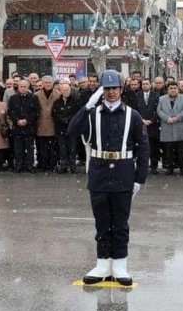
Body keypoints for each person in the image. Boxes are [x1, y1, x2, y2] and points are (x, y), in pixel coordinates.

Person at [67, 70, 149, 285]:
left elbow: (143, 149)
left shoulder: (133, 115)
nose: (111, 92)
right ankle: (103, 264)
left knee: (120, 223)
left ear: (121, 90)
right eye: (107, 88)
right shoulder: (93, 114)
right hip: (100, 174)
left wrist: (139, 179)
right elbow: (72, 130)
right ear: (101, 90)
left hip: (123, 173)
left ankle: (120, 265)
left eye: (114, 88)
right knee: (102, 222)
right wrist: (87, 107)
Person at [156, 82, 183, 175]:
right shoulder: (161, 99)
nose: (173, 90)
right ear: (168, 89)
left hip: (180, 127)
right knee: (168, 151)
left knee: (181, 151)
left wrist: (177, 118)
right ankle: (169, 168)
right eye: (171, 88)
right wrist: (167, 118)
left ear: (178, 89)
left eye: (175, 88)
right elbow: (159, 110)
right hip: (167, 126)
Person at [6, 79, 39, 173]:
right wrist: (17, 120)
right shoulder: (13, 98)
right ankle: (18, 165)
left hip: (29, 127)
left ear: (28, 87)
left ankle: (30, 165)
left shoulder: (33, 98)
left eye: (25, 87)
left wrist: (27, 120)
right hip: (17, 127)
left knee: (30, 148)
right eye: (21, 87)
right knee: (18, 148)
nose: (23, 88)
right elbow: (10, 111)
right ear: (18, 87)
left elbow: (36, 112)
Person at [35, 76, 61, 173]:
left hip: (53, 124)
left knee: (53, 148)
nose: (48, 84)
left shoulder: (58, 94)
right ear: (42, 83)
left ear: (53, 83)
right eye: (46, 82)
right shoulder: (36, 95)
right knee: (42, 147)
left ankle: (52, 165)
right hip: (41, 125)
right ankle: (42, 164)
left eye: (50, 82)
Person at [53, 82, 78, 173]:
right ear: (60, 91)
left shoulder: (75, 101)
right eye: (64, 90)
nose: (66, 91)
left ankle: (72, 165)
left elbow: (77, 113)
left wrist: (68, 119)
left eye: (67, 90)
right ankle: (63, 165)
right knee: (62, 148)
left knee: (72, 148)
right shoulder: (57, 102)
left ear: (70, 90)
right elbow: (55, 114)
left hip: (72, 129)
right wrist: (62, 119)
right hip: (61, 128)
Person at [137, 78, 160, 173]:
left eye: (147, 84)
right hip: (141, 125)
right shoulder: (137, 95)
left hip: (153, 125)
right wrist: (141, 120)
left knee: (153, 147)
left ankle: (154, 167)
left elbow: (158, 109)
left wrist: (151, 120)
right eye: (143, 84)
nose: (145, 85)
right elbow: (135, 109)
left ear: (151, 85)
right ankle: (142, 166)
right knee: (142, 147)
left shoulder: (156, 95)